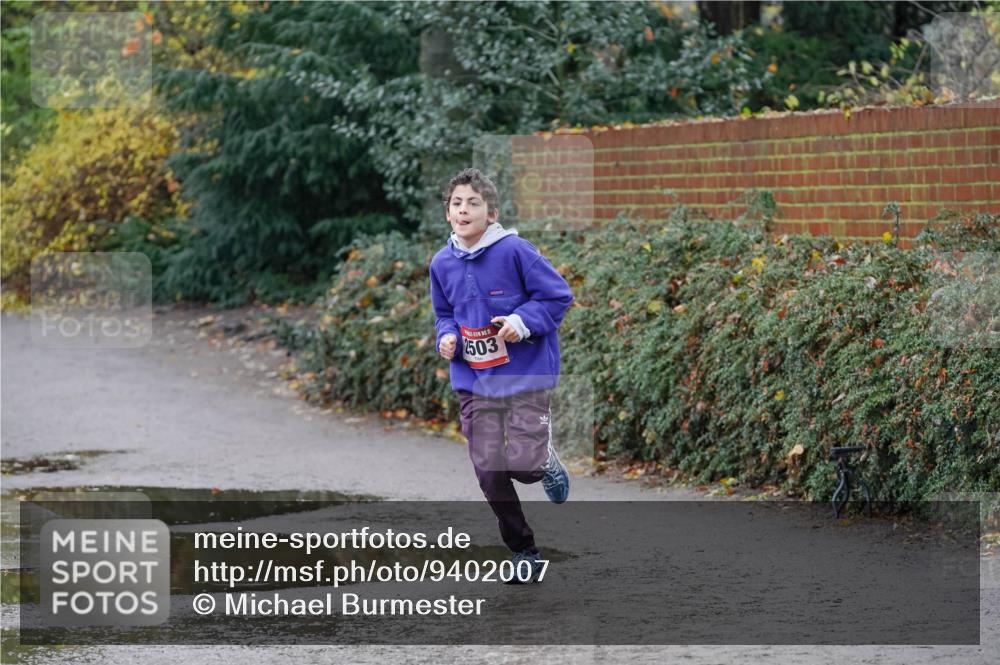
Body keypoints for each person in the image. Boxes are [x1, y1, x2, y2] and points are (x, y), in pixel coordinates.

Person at [429, 167, 574, 584]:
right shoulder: (441, 263)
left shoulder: (515, 251)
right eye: (456, 203)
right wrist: (447, 337)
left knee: (524, 465)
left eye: (473, 203)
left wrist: (521, 321)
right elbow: (443, 314)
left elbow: (557, 295)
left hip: (525, 373)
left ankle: (543, 462)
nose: (463, 209)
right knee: (489, 470)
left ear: (491, 213)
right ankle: (524, 550)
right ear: (448, 214)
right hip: (475, 381)